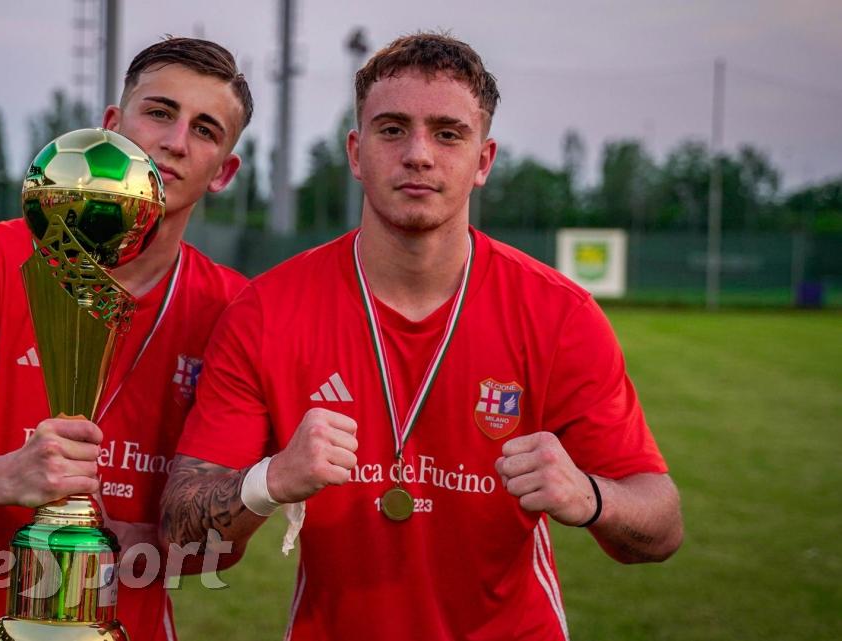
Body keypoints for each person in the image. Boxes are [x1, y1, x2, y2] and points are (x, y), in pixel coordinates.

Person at [160, 33, 683, 641]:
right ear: (356, 153)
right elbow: (180, 534)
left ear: (483, 160)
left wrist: (590, 497)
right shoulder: (266, 312)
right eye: (392, 130)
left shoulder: (559, 315)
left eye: (448, 134)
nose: (418, 155)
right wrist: (269, 481)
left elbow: (662, 527)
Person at [0, 37, 253, 641]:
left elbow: (216, 546)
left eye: (205, 130)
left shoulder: (231, 307)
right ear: (112, 126)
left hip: (124, 626)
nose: (175, 141)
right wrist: (10, 475)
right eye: (159, 112)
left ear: (224, 172)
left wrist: (185, 531)